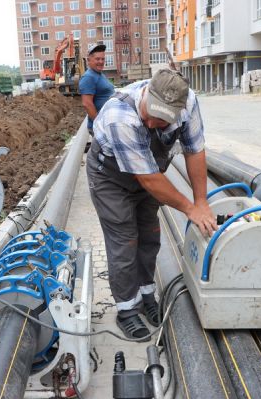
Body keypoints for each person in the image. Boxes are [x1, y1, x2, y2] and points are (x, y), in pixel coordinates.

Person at [86, 69, 217, 340]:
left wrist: (201, 201)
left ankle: (146, 295)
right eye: (148, 113)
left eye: (160, 120)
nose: (150, 121)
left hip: (149, 170)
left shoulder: (188, 102)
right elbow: (149, 180)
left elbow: (194, 151)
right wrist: (190, 209)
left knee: (149, 235)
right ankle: (127, 310)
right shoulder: (119, 116)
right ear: (147, 94)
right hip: (110, 178)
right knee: (124, 240)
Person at [78, 44, 115, 134]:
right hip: (101, 128)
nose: (101, 62)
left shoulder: (99, 74)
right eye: (97, 59)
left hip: (107, 124)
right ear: (89, 60)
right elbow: (87, 103)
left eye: (103, 59)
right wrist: (99, 125)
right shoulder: (88, 77)